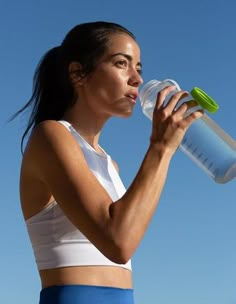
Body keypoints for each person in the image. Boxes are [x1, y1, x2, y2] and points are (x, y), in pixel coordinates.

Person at [13, 21, 203, 304]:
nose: (137, 79)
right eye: (121, 63)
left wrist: (164, 149)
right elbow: (118, 241)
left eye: (138, 68)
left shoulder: (110, 164)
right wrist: (161, 147)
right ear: (78, 73)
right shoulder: (50, 135)